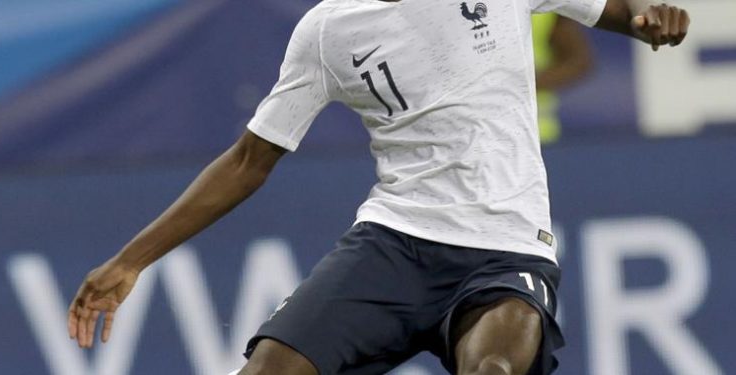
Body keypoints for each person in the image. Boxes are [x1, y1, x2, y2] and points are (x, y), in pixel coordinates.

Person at [67, 0, 689, 374]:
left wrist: (651, 20)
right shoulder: (329, 31)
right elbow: (249, 160)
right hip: (395, 244)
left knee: (494, 367)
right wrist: (130, 262)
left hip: (506, 248)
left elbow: (623, 13)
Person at [532, 14, 594, 144]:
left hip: (537, 136)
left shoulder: (549, 7)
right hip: (481, 131)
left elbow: (578, 60)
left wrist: (521, 83)